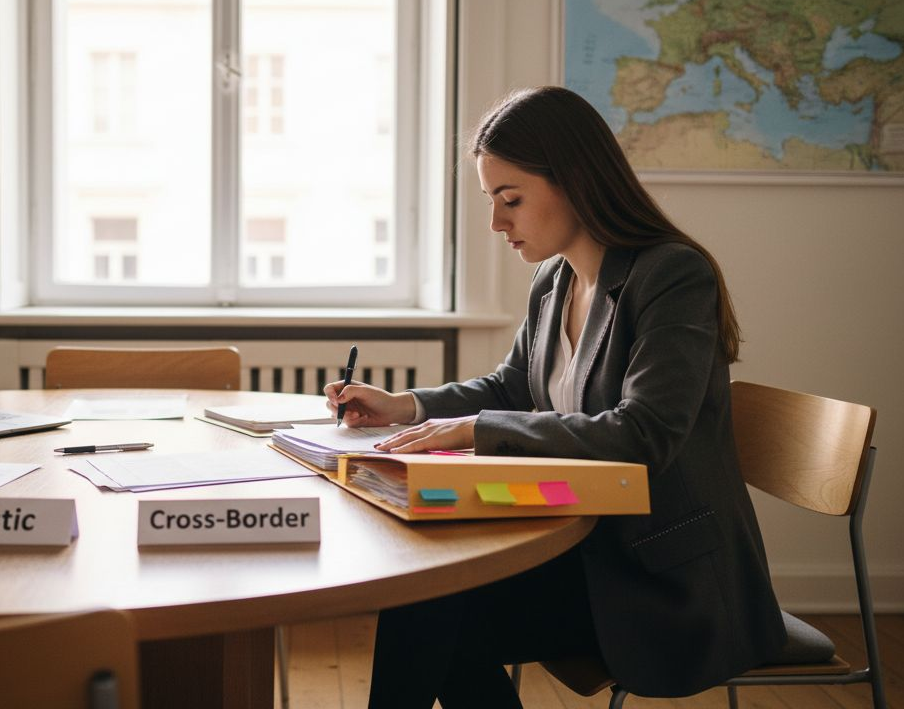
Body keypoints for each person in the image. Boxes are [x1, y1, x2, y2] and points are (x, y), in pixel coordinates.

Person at [325, 86, 786, 708]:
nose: (496, 222)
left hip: (663, 580)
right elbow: (514, 385)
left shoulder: (671, 276)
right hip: (584, 549)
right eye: (492, 201)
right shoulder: (556, 278)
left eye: (510, 199)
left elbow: (643, 434)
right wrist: (405, 406)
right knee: (426, 599)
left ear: (574, 181)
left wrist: (475, 431)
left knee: (435, 613)